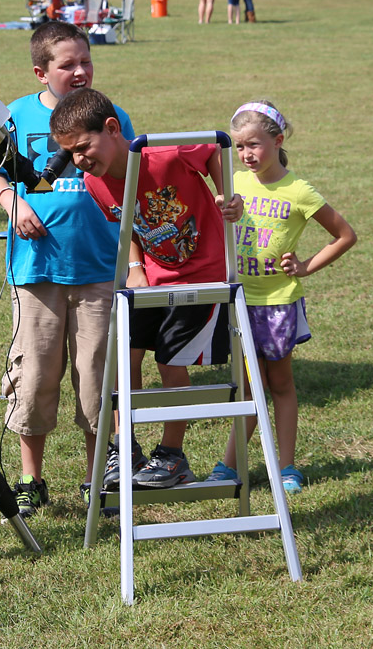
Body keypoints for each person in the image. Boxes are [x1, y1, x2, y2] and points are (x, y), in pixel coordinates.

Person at [49, 88, 243, 490]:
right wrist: (136, 267)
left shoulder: (166, 154)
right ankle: (126, 448)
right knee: (124, 357)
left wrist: (226, 192)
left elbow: (212, 149)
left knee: (170, 363)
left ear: (112, 128)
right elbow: (129, 226)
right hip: (151, 278)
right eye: (71, 153)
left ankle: (173, 456)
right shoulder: (94, 182)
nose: (79, 159)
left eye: (83, 147)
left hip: (201, 274)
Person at [0, 22, 135, 518]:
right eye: (68, 64)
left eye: (86, 60)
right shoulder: (15, 116)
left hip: (99, 268)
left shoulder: (111, 115)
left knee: (97, 379)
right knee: (34, 377)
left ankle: (98, 478)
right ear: (41, 72)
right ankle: (31, 479)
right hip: (36, 271)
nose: (80, 71)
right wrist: (13, 203)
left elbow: (134, 175)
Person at [204, 101, 356, 493]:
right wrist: (223, 210)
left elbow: (344, 235)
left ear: (278, 140)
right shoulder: (234, 184)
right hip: (239, 302)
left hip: (278, 304)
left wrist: (306, 266)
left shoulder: (298, 190)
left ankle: (287, 468)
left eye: (253, 144)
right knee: (248, 388)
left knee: (281, 385)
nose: (246, 154)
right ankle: (229, 466)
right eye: (239, 146)